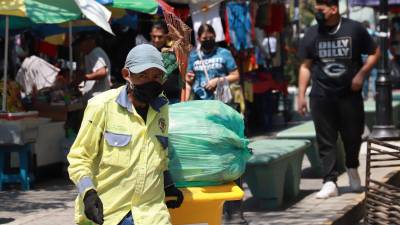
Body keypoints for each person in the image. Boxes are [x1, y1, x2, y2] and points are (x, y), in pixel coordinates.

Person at [68, 44, 184, 225]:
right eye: (142, 76)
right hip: (109, 213)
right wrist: (88, 193)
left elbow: (159, 156)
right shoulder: (101, 106)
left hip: (152, 214)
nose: (150, 82)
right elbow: (80, 157)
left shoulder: (162, 107)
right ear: (126, 75)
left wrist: (168, 184)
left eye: (156, 76)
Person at [297, 0, 380, 199]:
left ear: (333, 9)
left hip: (349, 95)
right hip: (321, 96)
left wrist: (361, 75)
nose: (317, 13)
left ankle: (352, 169)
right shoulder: (312, 33)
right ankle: (330, 181)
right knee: (326, 140)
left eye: (320, 10)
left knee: (352, 136)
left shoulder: (354, 29)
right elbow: (305, 66)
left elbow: (375, 52)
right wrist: (301, 96)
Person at [185, 24, 239, 102]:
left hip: (221, 100)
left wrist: (218, 81)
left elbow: (236, 76)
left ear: (215, 36)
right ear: (198, 39)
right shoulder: (193, 56)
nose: (208, 40)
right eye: (205, 38)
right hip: (199, 102)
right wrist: (186, 101)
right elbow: (188, 82)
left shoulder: (224, 53)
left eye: (211, 37)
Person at [150, 22, 182, 104]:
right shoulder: (147, 52)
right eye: (154, 36)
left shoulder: (174, 52)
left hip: (173, 98)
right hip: (154, 97)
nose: (156, 40)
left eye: (160, 37)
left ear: (166, 36)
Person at [74, 33, 112, 102]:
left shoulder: (95, 52)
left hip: (98, 98)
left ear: (90, 42)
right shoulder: (90, 54)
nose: (80, 47)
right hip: (96, 97)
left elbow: (102, 72)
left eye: (81, 44)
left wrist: (83, 78)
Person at [361, 21, 378, 100]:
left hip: (363, 57)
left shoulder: (360, 34)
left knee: (365, 77)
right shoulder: (374, 34)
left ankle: (365, 95)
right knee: (374, 76)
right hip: (373, 56)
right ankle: (375, 93)